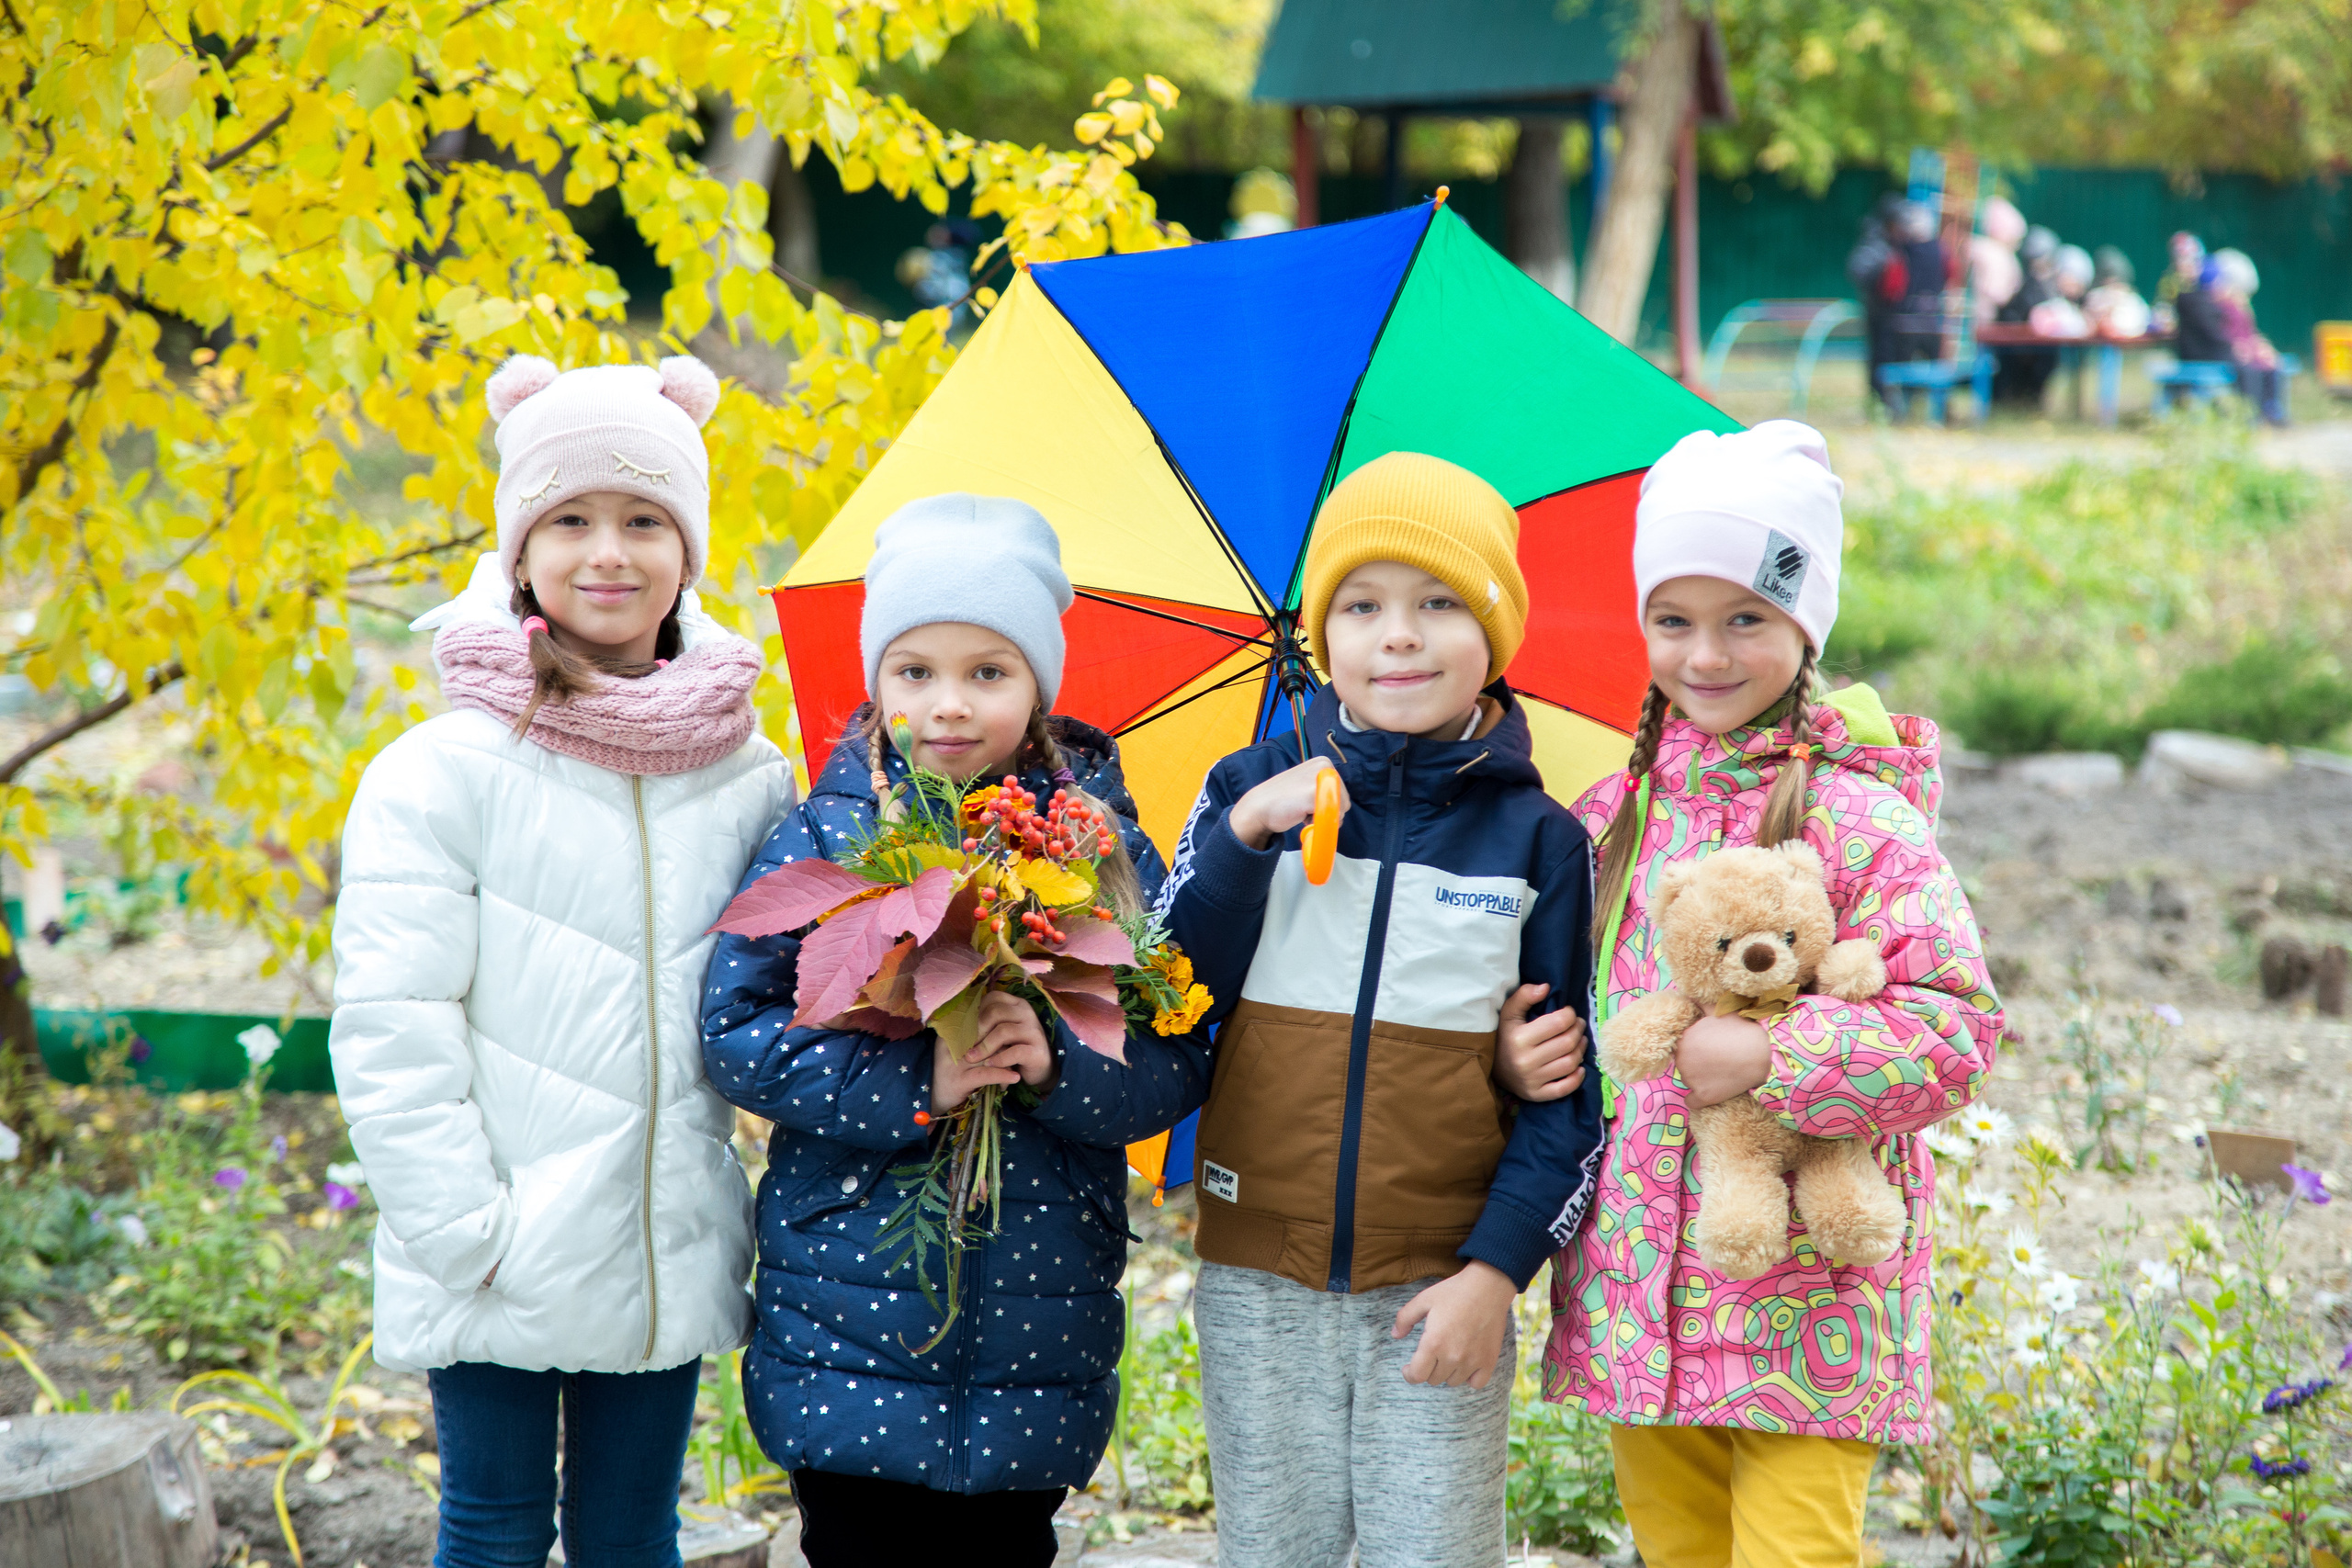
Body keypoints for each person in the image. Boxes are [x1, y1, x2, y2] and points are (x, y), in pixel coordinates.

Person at [1513, 422, 2003, 1568]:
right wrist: (1516, 1054)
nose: (1706, 654)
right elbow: (1560, 1009)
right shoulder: (1610, 821)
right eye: (1672, 620)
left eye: (1746, 618)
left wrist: (1776, 1061)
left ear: (1804, 623)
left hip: (1812, 1303)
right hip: (1638, 1294)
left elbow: (1954, 1030)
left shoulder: (1861, 820)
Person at [330, 355, 792, 1568]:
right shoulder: (443, 771)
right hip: (496, 1243)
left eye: (646, 520)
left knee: (633, 1533)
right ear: (520, 550)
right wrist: (463, 1227)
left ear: (687, 551)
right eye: (571, 519)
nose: (610, 552)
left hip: (660, 1235)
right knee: (490, 1528)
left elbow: (776, 998)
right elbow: (392, 1020)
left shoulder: (746, 771)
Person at [699, 495, 1213, 1568]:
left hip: (1036, 1320)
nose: (948, 704)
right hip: (851, 1314)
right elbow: (737, 1029)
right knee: (853, 1543)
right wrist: (916, 1079)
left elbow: (1175, 1048)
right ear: (877, 681)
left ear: (1038, 688)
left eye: (989, 671)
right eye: (915, 671)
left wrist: (1056, 1064)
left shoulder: (1095, 848)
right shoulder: (832, 836)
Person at [1158, 452, 1603, 1568]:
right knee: (1272, 1551)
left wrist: (1497, 1273)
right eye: (1362, 605)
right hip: (1258, 1276)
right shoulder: (1244, 790)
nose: (1397, 635)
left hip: (1440, 1281)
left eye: (1438, 603)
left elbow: (1566, 1093)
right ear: (1320, 638)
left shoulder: (1538, 839)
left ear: (1494, 636)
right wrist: (1241, 841)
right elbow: (1166, 988)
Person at [2211, 248, 2290, 426]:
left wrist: (2261, 346)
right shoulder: (2220, 308)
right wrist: (2242, 348)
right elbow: (2225, 335)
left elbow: (2251, 333)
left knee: (2272, 365)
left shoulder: (2243, 308)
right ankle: (2252, 414)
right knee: (2251, 369)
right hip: (2235, 353)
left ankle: (2272, 409)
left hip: (2247, 350)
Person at [1993, 225, 2061, 405]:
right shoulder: (2028, 285)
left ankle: (2029, 400)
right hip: (2020, 346)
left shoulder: (2049, 285)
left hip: (2038, 346)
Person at [2083, 247, 2152, 340]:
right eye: (2107, 276)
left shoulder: (2133, 301)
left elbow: (2139, 326)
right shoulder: (2096, 297)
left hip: (2132, 347)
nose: (2111, 281)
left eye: (2115, 277)